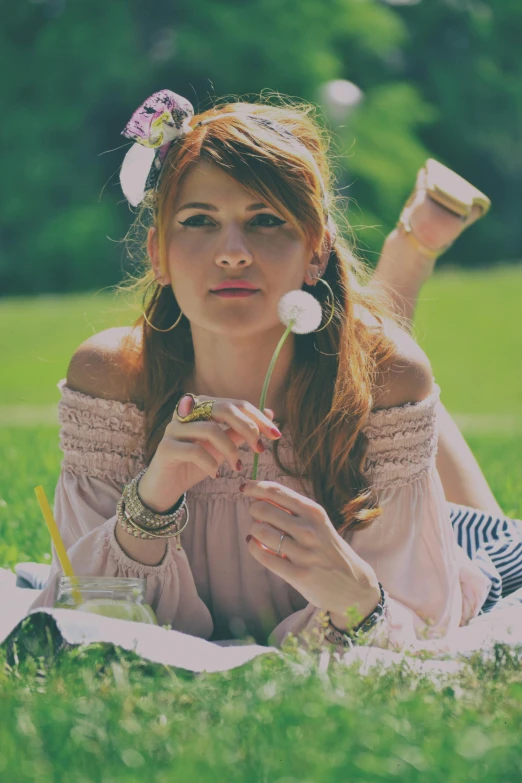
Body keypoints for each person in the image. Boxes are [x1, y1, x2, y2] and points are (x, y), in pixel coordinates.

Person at [26, 90, 521, 653]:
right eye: (199, 220)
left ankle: (407, 259)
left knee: (397, 385)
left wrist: (357, 592)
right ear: (158, 254)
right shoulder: (115, 377)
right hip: (358, 379)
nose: (232, 252)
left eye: (265, 220)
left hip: (459, 543)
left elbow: (423, 620)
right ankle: (401, 271)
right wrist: (151, 503)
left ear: (316, 253)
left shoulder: (390, 382)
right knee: (378, 358)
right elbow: (83, 617)